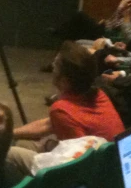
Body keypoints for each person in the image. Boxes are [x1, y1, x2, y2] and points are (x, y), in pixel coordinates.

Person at [7, 42, 124, 174]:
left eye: (55, 66)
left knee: (11, 153)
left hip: (95, 173)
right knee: (25, 142)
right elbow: (48, 124)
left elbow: (75, 164)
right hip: (110, 161)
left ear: (65, 81)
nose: (52, 67)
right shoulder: (99, 94)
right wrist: (10, 133)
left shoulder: (62, 110)